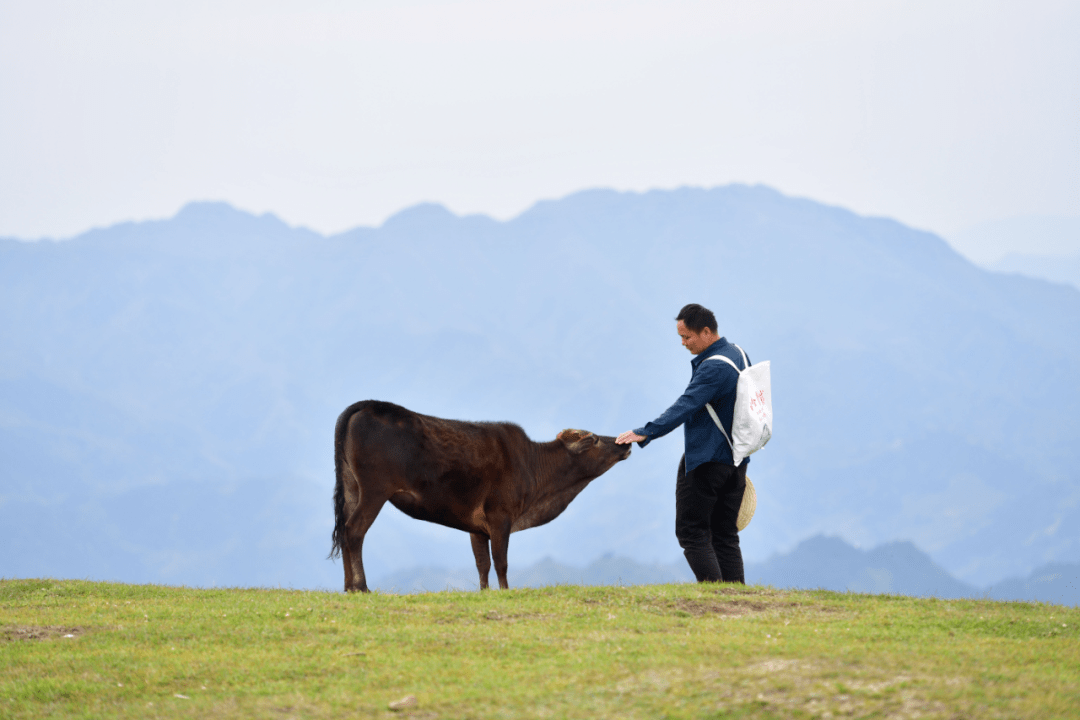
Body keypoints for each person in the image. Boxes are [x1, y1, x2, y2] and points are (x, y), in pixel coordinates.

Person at [616, 303, 750, 584]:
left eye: (687, 337)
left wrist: (647, 431)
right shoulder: (738, 354)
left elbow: (686, 405)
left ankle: (717, 597)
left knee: (692, 533)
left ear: (705, 331)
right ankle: (739, 599)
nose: (683, 343)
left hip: (707, 460)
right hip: (736, 460)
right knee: (725, 534)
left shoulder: (713, 367)